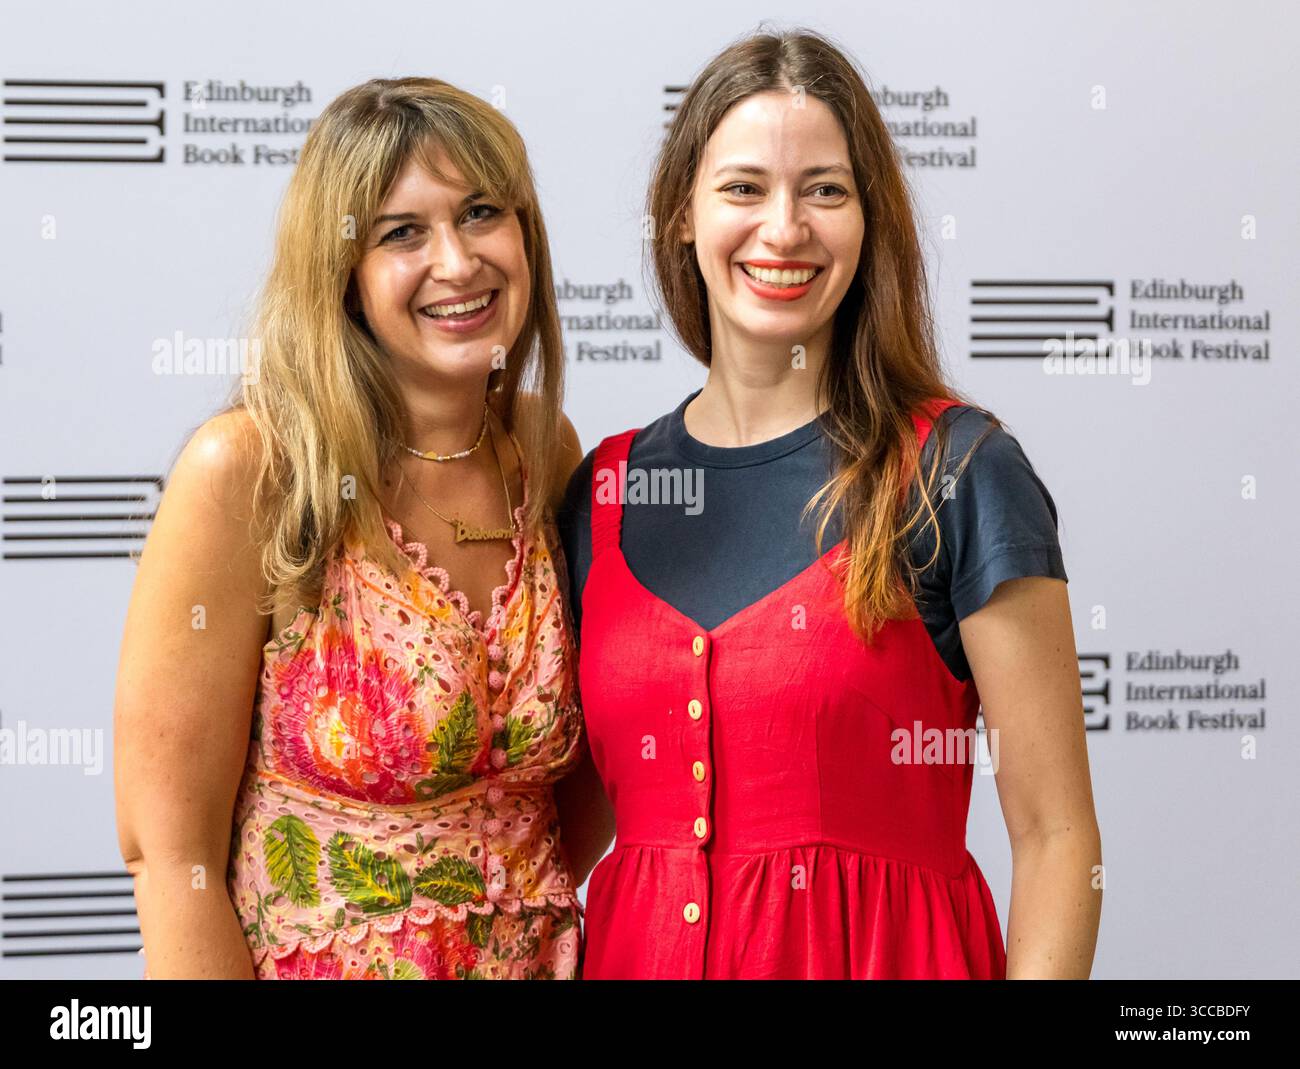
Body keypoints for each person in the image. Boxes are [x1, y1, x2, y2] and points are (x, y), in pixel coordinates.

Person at [556, 28, 1103, 979]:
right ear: (681, 214)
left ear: (868, 220)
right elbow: (554, 833)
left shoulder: (958, 474)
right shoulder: (598, 494)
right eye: (743, 188)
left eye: (825, 189)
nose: (784, 229)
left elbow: (1058, 837)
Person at [113, 77, 588, 979]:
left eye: (481, 212)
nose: (457, 261)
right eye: (401, 232)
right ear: (344, 275)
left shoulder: (545, 450)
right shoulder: (250, 470)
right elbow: (168, 858)